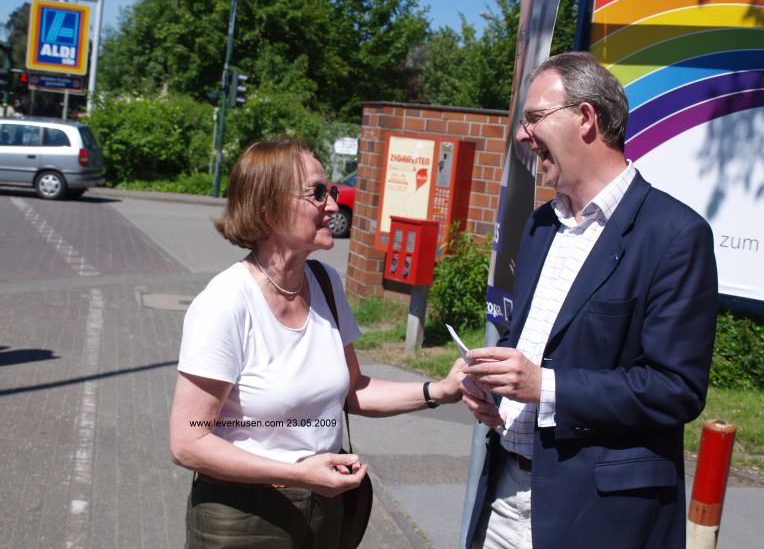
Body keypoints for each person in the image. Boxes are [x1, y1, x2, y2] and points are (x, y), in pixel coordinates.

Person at [461, 52, 718, 549]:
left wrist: (545, 387)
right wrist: (493, 385)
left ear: (585, 118)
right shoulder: (540, 225)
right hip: (505, 494)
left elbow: (675, 388)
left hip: (598, 517)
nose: (520, 135)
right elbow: (529, 341)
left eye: (533, 118)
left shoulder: (675, 235)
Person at [169, 138, 464, 548]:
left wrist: (441, 391)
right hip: (243, 518)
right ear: (268, 206)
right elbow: (188, 443)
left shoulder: (325, 283)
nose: (333, 204)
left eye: (332, 191)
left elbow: (354, 390)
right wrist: (299, 473)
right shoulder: (224, 304)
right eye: (318, 192)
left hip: (323, 510)